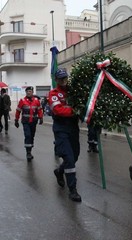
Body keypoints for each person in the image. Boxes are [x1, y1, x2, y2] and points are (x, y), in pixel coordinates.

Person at [48, 68, 82, 202]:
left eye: (65, 78)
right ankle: (73, 190)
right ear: (56, 80)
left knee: (75, 156)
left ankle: (59, 171)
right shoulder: (53, 93)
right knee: (68, 158)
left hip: (73, 128)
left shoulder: (73, 92)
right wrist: (75, 111)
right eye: (61, 78)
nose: (63, 80)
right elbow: (58, 110)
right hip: (61, 128)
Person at [14, 86, 43, 161]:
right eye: (27, 91)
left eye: (30, 91)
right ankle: (28, 153)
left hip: (33, 122)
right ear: (26, 92)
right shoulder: (22, 101)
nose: (28, 92)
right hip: (25, 122)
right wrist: (16, 120)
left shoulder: (36, 101)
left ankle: (30, 150)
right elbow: (18, 111)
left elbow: (39, 110)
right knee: (28, 135)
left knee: (32, 136)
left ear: (32, 92)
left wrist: (41, 117)